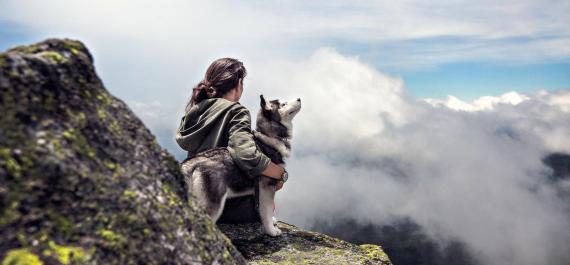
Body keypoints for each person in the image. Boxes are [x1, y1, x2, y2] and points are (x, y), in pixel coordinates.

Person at [175, 57, 285, 223]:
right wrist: (280, 173)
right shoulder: (236, 111)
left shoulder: (196, 111)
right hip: (228, 208)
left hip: (196, 201)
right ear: (239, 83)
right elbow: (246, 154)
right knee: (267, 202)